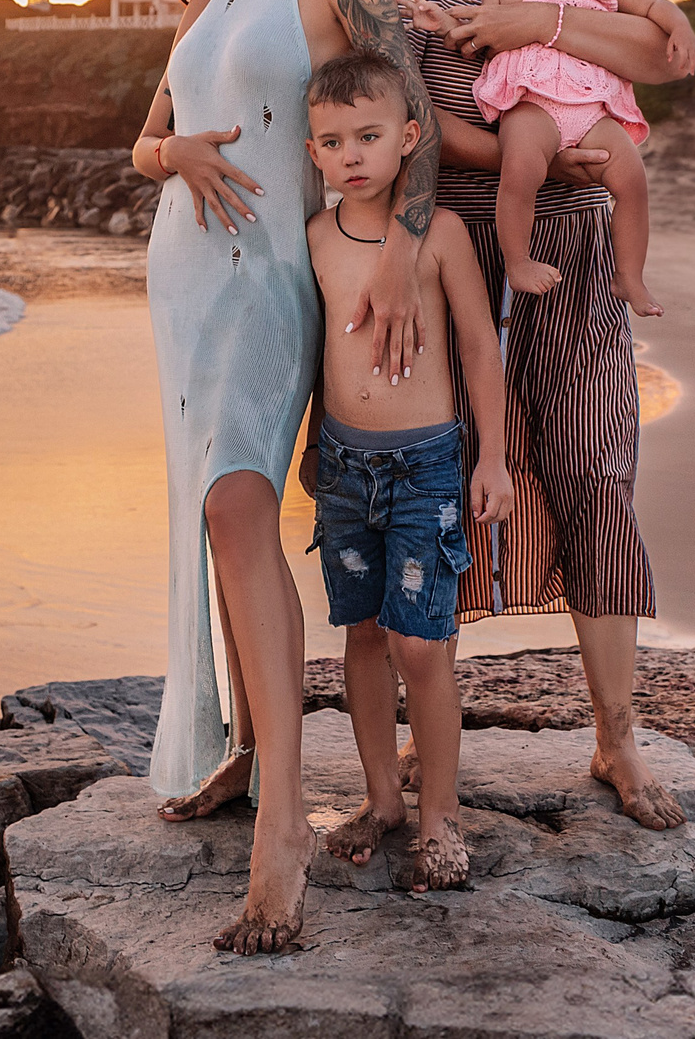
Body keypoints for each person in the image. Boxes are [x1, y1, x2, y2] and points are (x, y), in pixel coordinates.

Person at [130, 0, 441, 953]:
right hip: (182, 274)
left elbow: (401, 103)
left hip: (267, 275)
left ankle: (279, 831)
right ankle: (248, 754)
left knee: (238, 502)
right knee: (215, 512)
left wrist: (404, 256)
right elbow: (143, 138)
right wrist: (179, 161)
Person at [369, 0, 695, 831]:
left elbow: (660, 55)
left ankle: (617, 741)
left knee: (598, 468)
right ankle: (433, 741)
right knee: (453, 485)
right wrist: (554, 160)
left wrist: (549, 16)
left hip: (582, 253)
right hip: (463, 248)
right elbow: (416, 115)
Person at [301, 50, 510, 892]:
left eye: (369, 135)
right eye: (333, 140)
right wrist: (312, 445)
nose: (351, 153)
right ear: (314, 153)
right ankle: (384, 798)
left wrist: (491, 456)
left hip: (427, 464)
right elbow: (315, 356)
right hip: (346, 468)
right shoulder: (314, 240)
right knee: (360, 632)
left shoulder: (439, 235)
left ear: (408, 138)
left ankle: (439, 817)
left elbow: (478, 346)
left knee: (420, 644)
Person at [414, 0, 671, 317]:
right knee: (522, 170)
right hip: (532, 107)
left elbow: (652, 25)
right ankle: (517, 259)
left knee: (632, 179)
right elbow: (472, 29)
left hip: (589, 110)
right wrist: (441, 19)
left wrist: (681, 28)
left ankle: (629, 274)